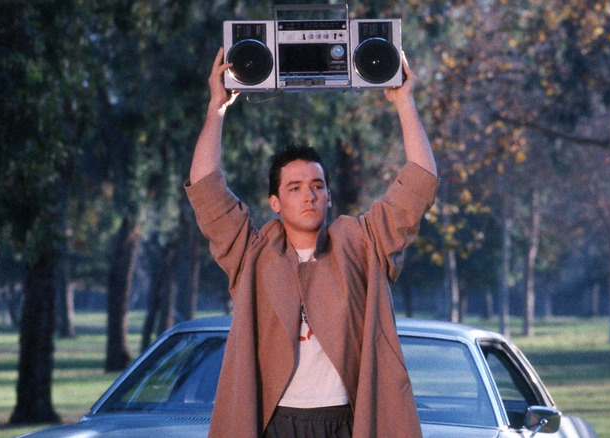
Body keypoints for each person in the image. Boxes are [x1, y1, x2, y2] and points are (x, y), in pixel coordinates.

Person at [185, 47, 439, 438]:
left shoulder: (361, 243)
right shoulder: (252, 253)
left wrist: (404, 102)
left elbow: (419, 182)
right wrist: (216, 108)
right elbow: (206, 190)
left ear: (329, 196)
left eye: (318, 186)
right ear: (275, 202)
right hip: (275, 423)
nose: (309, 196)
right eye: (296, 188)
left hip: (346, 421)